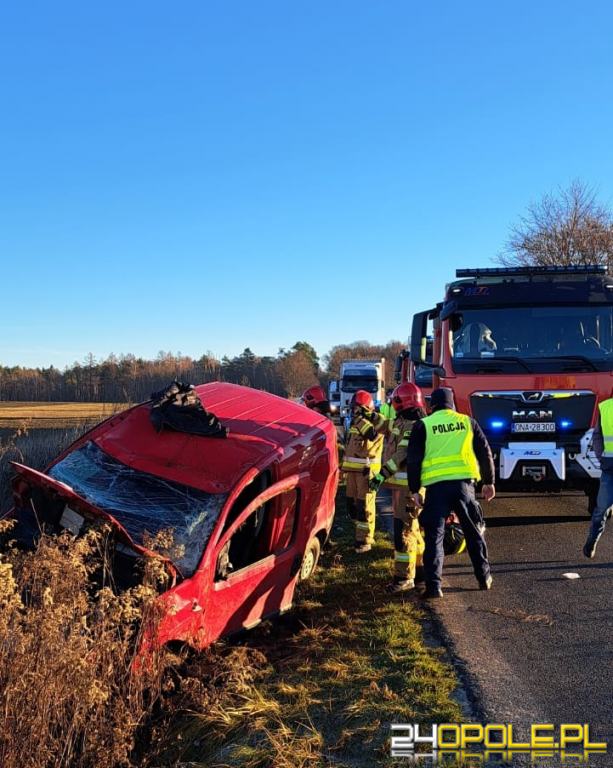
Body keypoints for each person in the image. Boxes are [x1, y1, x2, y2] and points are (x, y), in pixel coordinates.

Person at [406, 387, 495, 599]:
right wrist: (488, 482)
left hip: (435, 489)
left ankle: (434, 586)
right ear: (452, 403)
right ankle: (484, 578)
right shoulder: (467, 422)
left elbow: (413, 460)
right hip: (464, 487)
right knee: (473, 534)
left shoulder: (423, 425)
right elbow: (485, 451)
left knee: (434, 539)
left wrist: (414, 489)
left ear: (431, 405)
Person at [369, 382, 426, 592]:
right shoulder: (403, 422)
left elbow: (400, 456)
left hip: (409, 489)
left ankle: (404, 578)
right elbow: (387, 425)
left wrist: (380, 476)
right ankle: (420, 572)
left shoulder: (414, 427)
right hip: (402, 489)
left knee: (404, 533)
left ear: (402, 402)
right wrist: (371, 416)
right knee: (414, 531)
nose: (394, 403)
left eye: (396, 400)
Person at [341, 390, 386, 553]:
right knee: (352, 505)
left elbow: (372, 435)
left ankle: (365, 540)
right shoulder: (355, 422)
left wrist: (361, 418)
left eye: (356, 408)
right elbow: (350, 448)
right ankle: (359, 535)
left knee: (364, 507)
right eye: (353, 409)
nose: (353, 412)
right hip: (352, 472)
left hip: (367, 473)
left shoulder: (376, 422)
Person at [584, 392, 613, 558]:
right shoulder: (606, 407)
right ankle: (592, 541)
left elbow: (597, 437)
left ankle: (592, 540)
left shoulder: (605, 407)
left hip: (609, 464)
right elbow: (597, 435)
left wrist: (601, 456)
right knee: (601, 509)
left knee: (601, 509)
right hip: (610, 466)